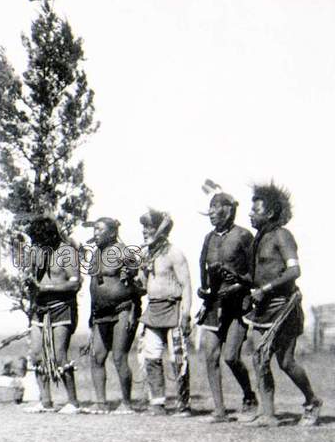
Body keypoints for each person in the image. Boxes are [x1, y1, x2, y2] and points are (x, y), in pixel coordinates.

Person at [241, 182, 322, 427]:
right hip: (263, 307)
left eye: (255, 210)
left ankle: (312, 400)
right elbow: (258, 274)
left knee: (285, 362)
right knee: (258, 356)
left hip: (284, 305)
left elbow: (294, 270)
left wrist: (265, 289)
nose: (250, 214)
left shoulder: (282, 236)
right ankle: (268, 414)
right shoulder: (259, 239)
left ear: (270, 213)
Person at [197, 190, 257, 422]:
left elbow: (255, 274)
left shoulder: (243, 236)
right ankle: (219, 410)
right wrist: (203, 290)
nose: (211, 213)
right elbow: (202, 268)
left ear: (229, 210)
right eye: (209, 210)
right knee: (210, 356)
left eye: (215, 208)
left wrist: (238, 283)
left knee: (231, 356)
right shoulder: (209, 239)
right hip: (214, 305)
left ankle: (249, 395)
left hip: (238, 305)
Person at [22, 215, 82, 414]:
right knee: (37, 355)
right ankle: (45, 401)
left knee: (59, 356)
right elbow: (32, 279)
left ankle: (73, 402)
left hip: (61, 307)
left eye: (38, 240)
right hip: (40, 309)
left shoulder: (66, 252)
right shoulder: (38, 252)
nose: (36, 245)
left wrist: (47, 288)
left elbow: (75, 283)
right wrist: (30, 284)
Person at [82, 217, 142, 414]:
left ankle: (126, 403)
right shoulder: (96, 254)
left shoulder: (124, 252)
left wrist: (134, 311)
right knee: (96, 356)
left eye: (100, 229)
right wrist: (92, 315)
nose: (95, 233)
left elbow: (138, 284)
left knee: (119, 357)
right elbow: (94, 285)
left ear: (112, 232)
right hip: (100, 313)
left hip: (122, 309)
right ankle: (101, 403)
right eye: (95, 230)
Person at [138, 209, 193, 416]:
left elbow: (186, 284)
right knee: (150, 355)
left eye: (149, 227)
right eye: (143, 227)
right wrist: (140, 274)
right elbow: (144, 286)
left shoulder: (174, 253)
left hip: (174, 308)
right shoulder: (147, 255)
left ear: (160, 229)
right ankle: (157, 402)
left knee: (177, 357)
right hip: (154, 309)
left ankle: (183, 404)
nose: (145, 231)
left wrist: (186, 314)